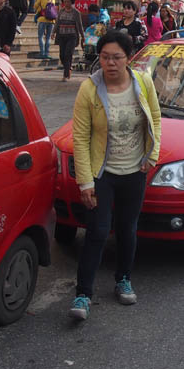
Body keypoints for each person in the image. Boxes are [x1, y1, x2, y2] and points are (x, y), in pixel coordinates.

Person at [68, 29, 161, 322]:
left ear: (128, 58)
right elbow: (80, 137)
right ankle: (83, 294)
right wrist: (85, 181)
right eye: (105, 57)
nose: (110, 63)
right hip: (102, 173)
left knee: (127, 229)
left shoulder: (143, 82)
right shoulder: (89, 89)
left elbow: (155, 119)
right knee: (96, 231)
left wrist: (152, 155)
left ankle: (123, 279)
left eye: (116, 57)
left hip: (135, 171)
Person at [55, 0, 84, 80]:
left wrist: (82, 36)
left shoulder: (76, 12)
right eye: (65, 2)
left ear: (71, 2)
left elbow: (79, 25)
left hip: (72, 36)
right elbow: (57, 23)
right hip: (62, 35)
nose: (66, 3)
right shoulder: (61, 11)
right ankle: (68, 67)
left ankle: (66, 74)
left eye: (68, 2)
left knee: (68, 54)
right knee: (62, 55)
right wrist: (53, 32)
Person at [35, 0, 55, 65]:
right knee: (48, 37)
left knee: (40, 36)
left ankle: (42, 53)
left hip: (42, 19)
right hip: (51, 20)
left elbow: (35, 6)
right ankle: (47, 53)